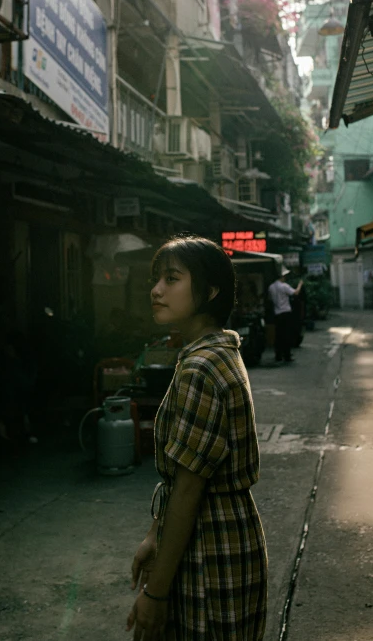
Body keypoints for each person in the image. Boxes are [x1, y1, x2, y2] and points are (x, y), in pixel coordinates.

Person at [126, 235, 268, 641]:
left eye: (172, 279)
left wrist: (155, 595)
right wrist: (156, 533)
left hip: (211, 544)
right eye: (157, 279)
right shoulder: (214, 352)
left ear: (209, 292)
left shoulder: (202, 368)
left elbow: (189, 489)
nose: (156, 290)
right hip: (220, 535)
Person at [268, 266, 303, 363]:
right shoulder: (284, 286)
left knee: (278, 335)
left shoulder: (271, 287)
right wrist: (300, 285)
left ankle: (278, 355)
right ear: (282, 276)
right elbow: (295, 293)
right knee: (287, 334)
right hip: (286, 313)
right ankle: (287, 355)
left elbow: (270, 299)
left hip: (277, 313)